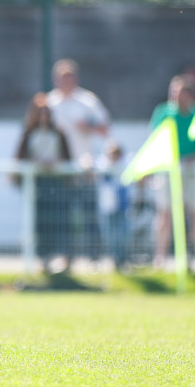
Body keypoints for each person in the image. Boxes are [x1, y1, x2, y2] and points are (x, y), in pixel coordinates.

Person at [46, 59, 109, 264]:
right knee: (62, 218)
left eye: (69, 77)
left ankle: (94, 259)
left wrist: (88, 127)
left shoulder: (87, 101)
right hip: (60, 169)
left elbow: (104, 128)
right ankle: (66, 258)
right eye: (61, 77)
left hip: (84, 168)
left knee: (89, 214)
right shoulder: (49, 103)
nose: (66, 81)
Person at [149, 75, 195, 271]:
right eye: (173, 92)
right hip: (168, 172)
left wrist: (193, 158)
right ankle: (160, 258)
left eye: (180, 93)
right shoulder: (163, 113)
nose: (175, 97)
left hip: (194, 172)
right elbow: (154, 143)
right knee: (164, 214)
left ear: (190, 95)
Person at [13, 93, 72, 273]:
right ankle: (42, 258)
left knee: (58, 222)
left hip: (56, 185)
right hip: (36, 186)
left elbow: (67, 158)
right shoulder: (28, 133)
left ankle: (61, 258)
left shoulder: (58, 133)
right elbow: (20, 159)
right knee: (39, 223)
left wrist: (55, 164)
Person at [97, 140, 131, 271]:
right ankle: (114, 260)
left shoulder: (125, 165)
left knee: (123, 235)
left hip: (123, 207)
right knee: (109, 236)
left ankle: (123, 260)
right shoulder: (102, 165)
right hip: (107, 208)